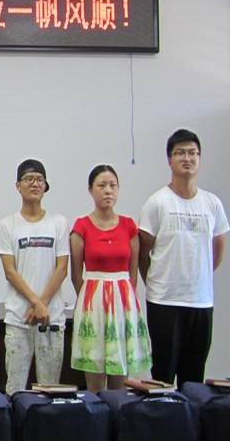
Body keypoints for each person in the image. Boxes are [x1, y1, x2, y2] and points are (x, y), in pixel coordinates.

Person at [139, 129, 228, 386]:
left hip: (201, 301)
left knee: (194, 378)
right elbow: (142, 253)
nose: (187, 158)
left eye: (192, 153)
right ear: (170, 160)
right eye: (180, 153)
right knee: (163, 376)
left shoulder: (212, 203)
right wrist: (155, 282)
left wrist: (198, 275)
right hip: (163, 301)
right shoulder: (158, 202)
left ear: (199, 158)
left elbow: (217, 252)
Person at [70, 165, 152, 393]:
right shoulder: (81, 226)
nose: (108, 191)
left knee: (120, 380)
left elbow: (132, 274)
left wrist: (123, 300)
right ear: (90, 190)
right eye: (102, 185)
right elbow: (76, 275)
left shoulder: (128, 226)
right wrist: (89, 302)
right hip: (93, 302)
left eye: (113, 186)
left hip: (122, 302)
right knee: (95, 376)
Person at [0, 159, 69, 395]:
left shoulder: (58, 223)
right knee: (14, 389)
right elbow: (10, 271)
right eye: (28, 179)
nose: (35, 183)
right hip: (19, 319)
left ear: (45, 186)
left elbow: (62, 268)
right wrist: (35, 302)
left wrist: (42, 304)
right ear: (18, 186)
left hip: (51, 319)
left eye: (39, 179)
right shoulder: (7, 224)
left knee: (50, 390)